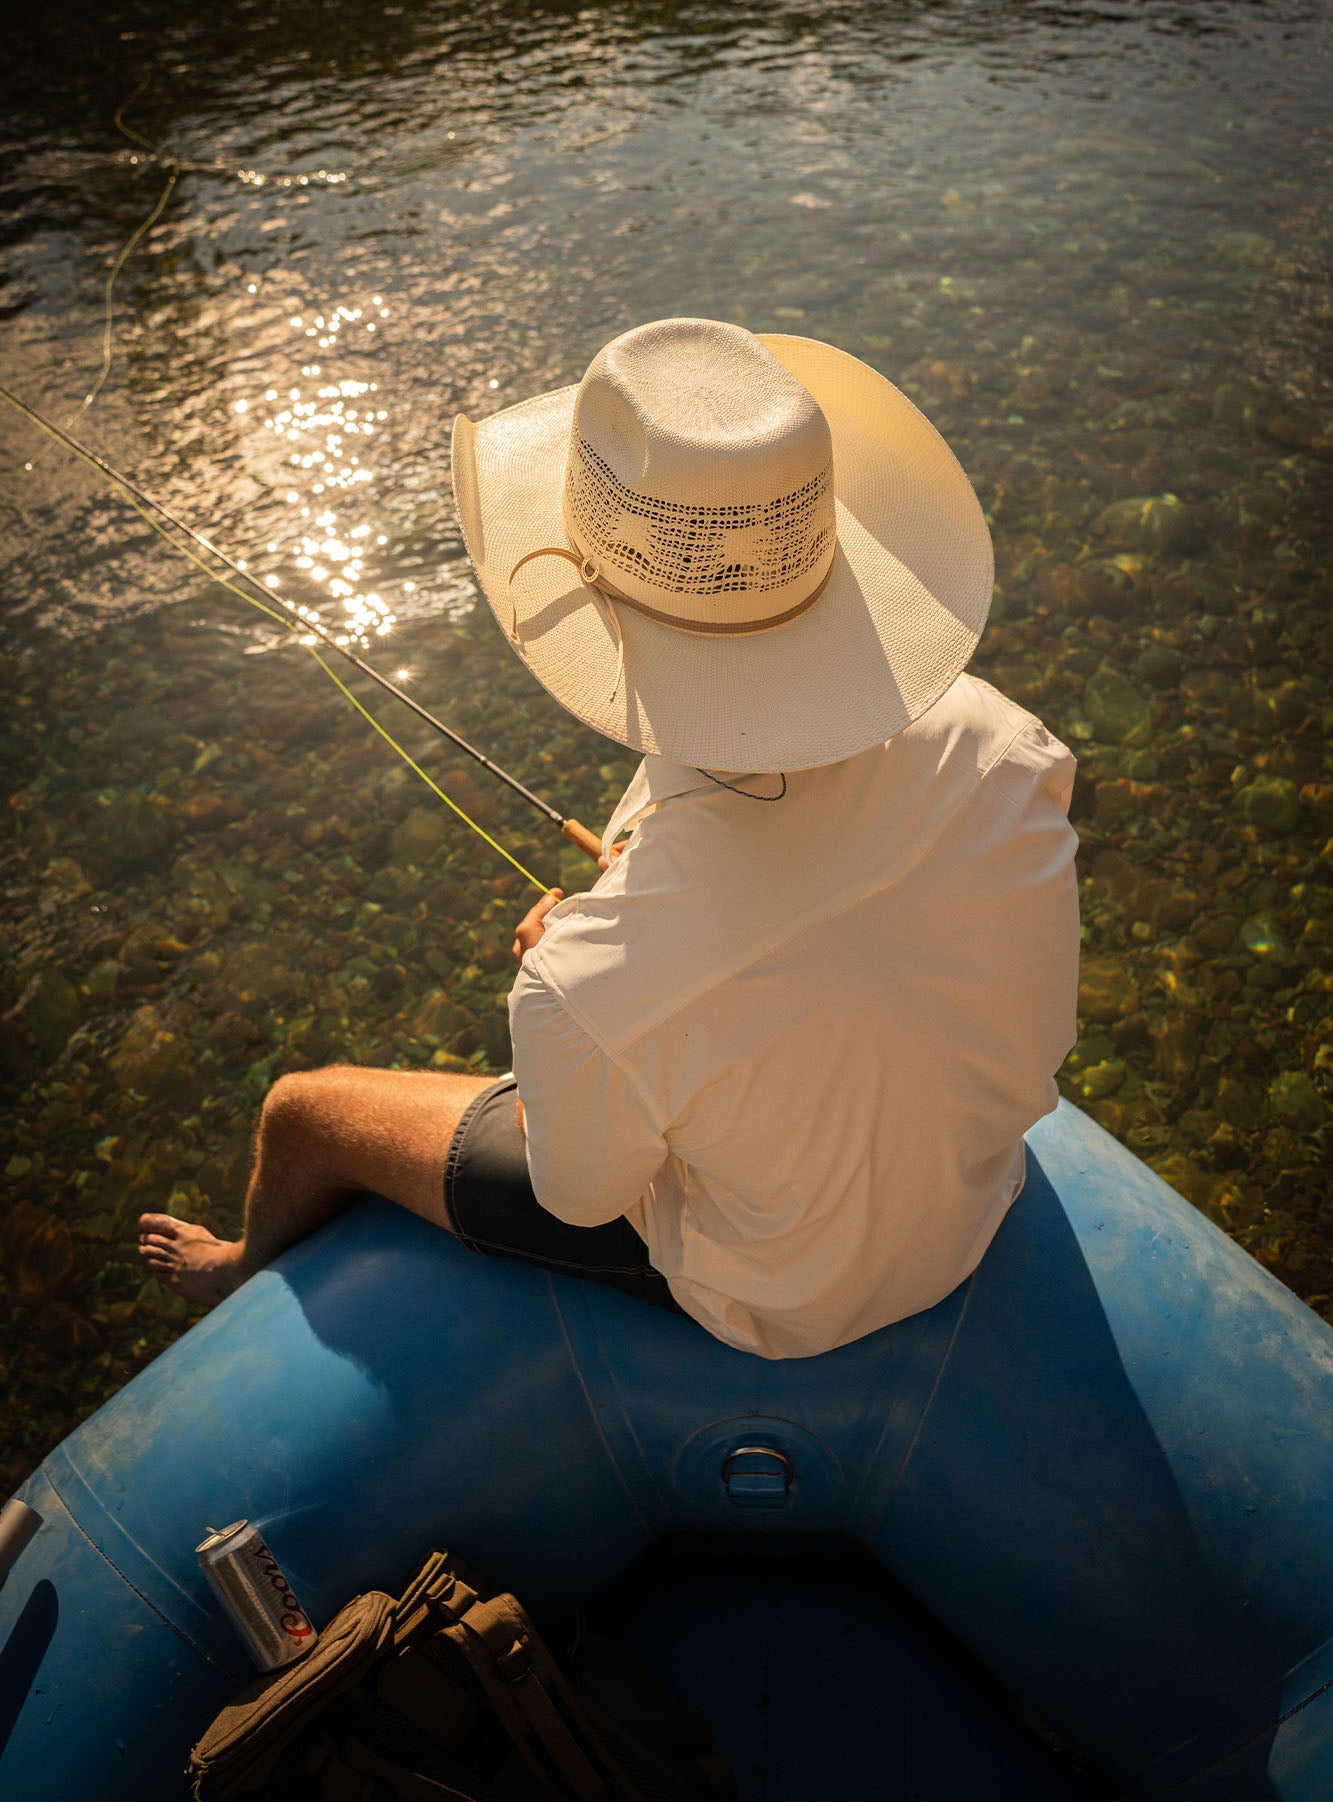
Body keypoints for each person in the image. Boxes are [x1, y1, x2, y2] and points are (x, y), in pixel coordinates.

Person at [140, 317, 1078, 1359]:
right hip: (973, 1207)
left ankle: (238, 1267)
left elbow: (582, 1198)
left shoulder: (580, 985)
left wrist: (578, 989)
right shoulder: (1007, 742)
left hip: (780, 1305)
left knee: (302, 1112)